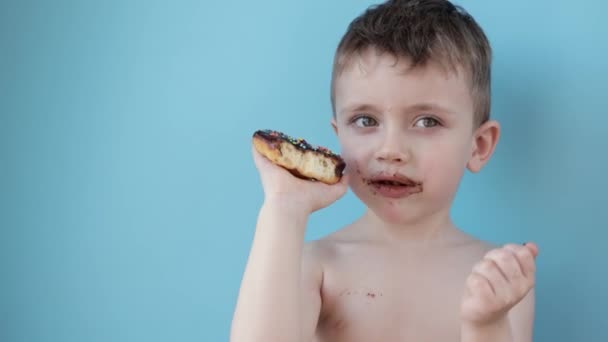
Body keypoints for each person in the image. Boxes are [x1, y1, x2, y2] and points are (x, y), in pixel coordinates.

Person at [231, 0, 539, 341]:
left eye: (427, 121)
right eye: (365, 120)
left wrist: (487, 325)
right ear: (339, 137)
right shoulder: (316, 266)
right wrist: (284, 208)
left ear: (478, 146)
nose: (391, 150)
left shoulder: (498, 275)